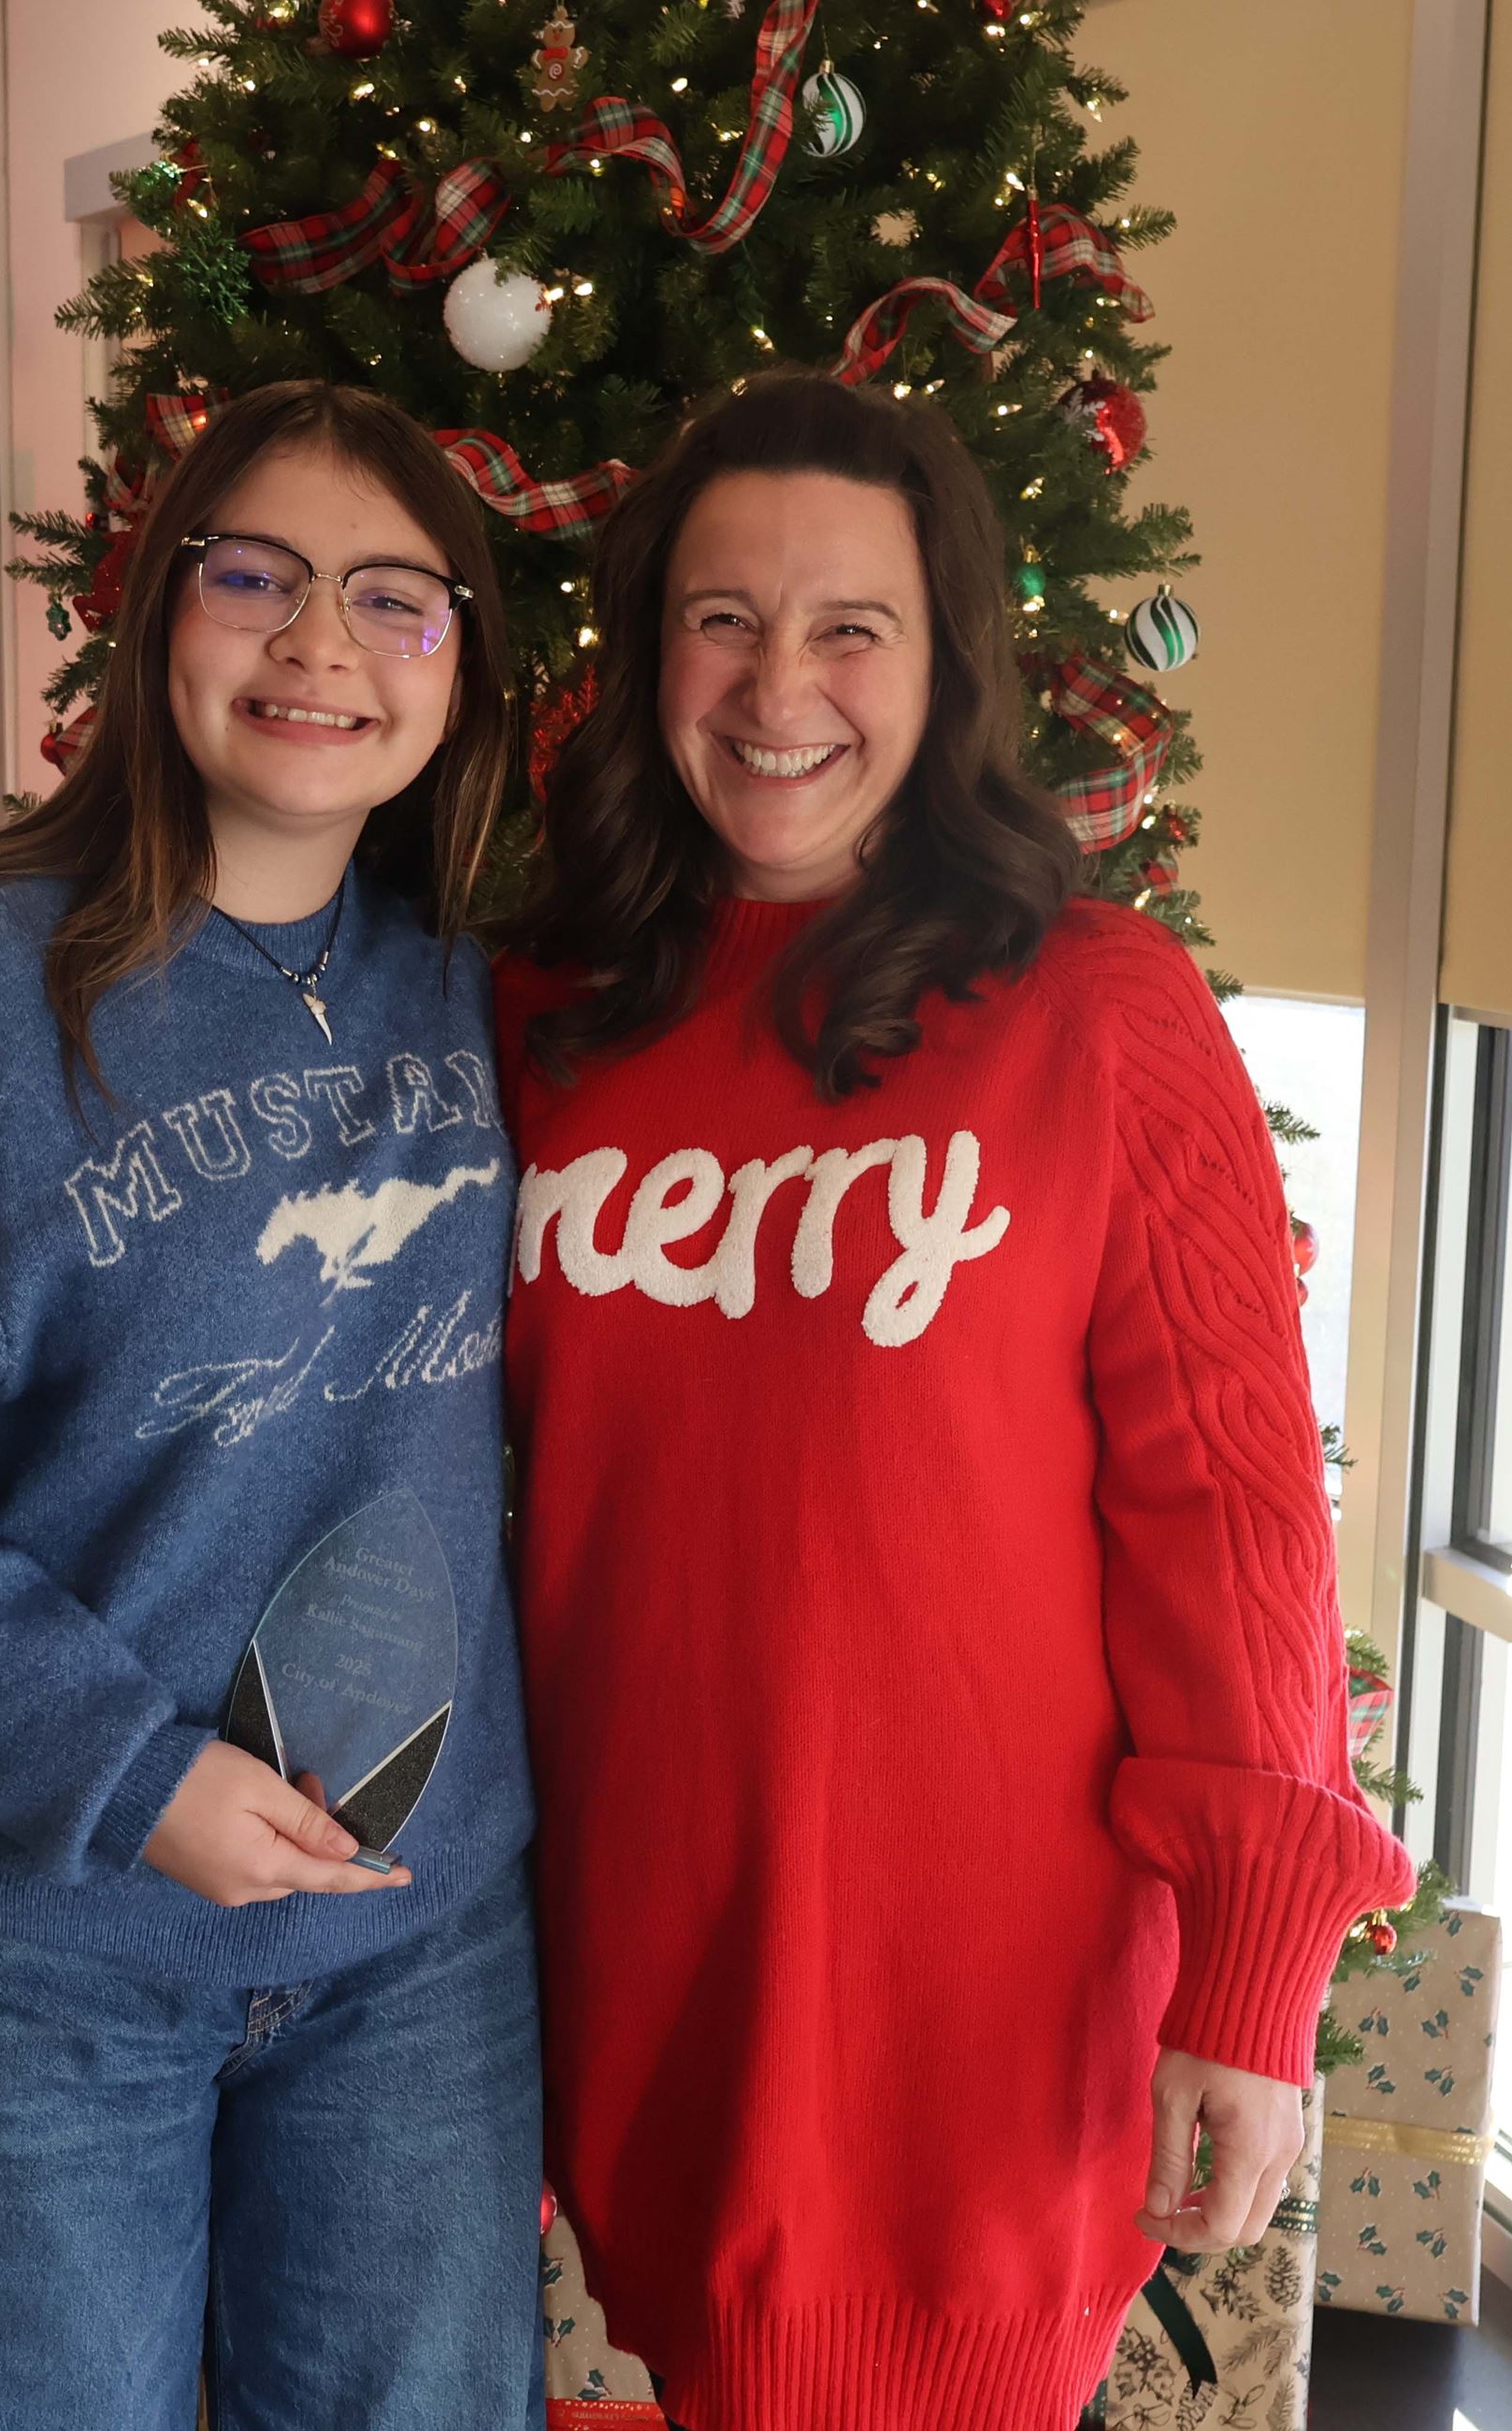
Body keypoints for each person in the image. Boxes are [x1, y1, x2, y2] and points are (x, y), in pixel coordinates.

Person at [493, 368, 1414, 2431]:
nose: (776, 685)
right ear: (651, 652)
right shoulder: (540, 1011)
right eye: (721, 618)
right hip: (651, 1984)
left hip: (981, 2027)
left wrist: (1252, 1985)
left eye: (851, 629)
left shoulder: (1098, 1012)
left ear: (943, 664)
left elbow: (1238, 1517)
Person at [0, 381, 543, 2431]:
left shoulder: (489, 991)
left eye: (391, 599)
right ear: (161, 616)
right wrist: (124, 1770)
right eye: (256, 577)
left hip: (415, 1960)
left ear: (462, 667)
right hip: (29, 1951)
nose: (317, 644)